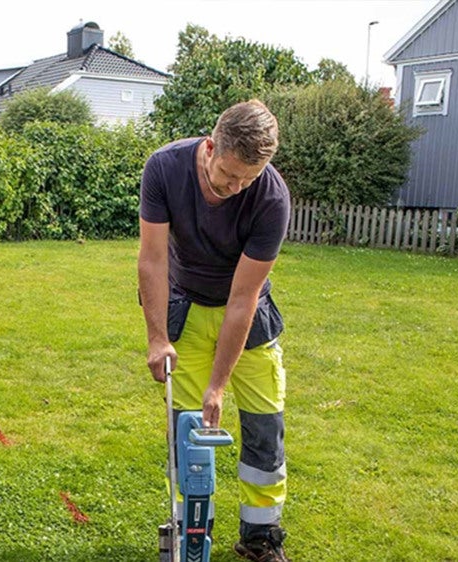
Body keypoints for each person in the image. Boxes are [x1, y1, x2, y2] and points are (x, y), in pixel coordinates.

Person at [138, 99, 292, 562]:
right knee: (188, 429)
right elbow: (152, 259)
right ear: (209, 147)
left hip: (247, 319)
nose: (235, 187)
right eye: (228, 175)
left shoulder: (270, 197)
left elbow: (243, 298)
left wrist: (218, 385)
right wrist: (157, 337)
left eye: (247, 178)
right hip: (186, 305)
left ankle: (260, 538)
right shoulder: (164, 168)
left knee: (265, 427)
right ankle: (189, 533)